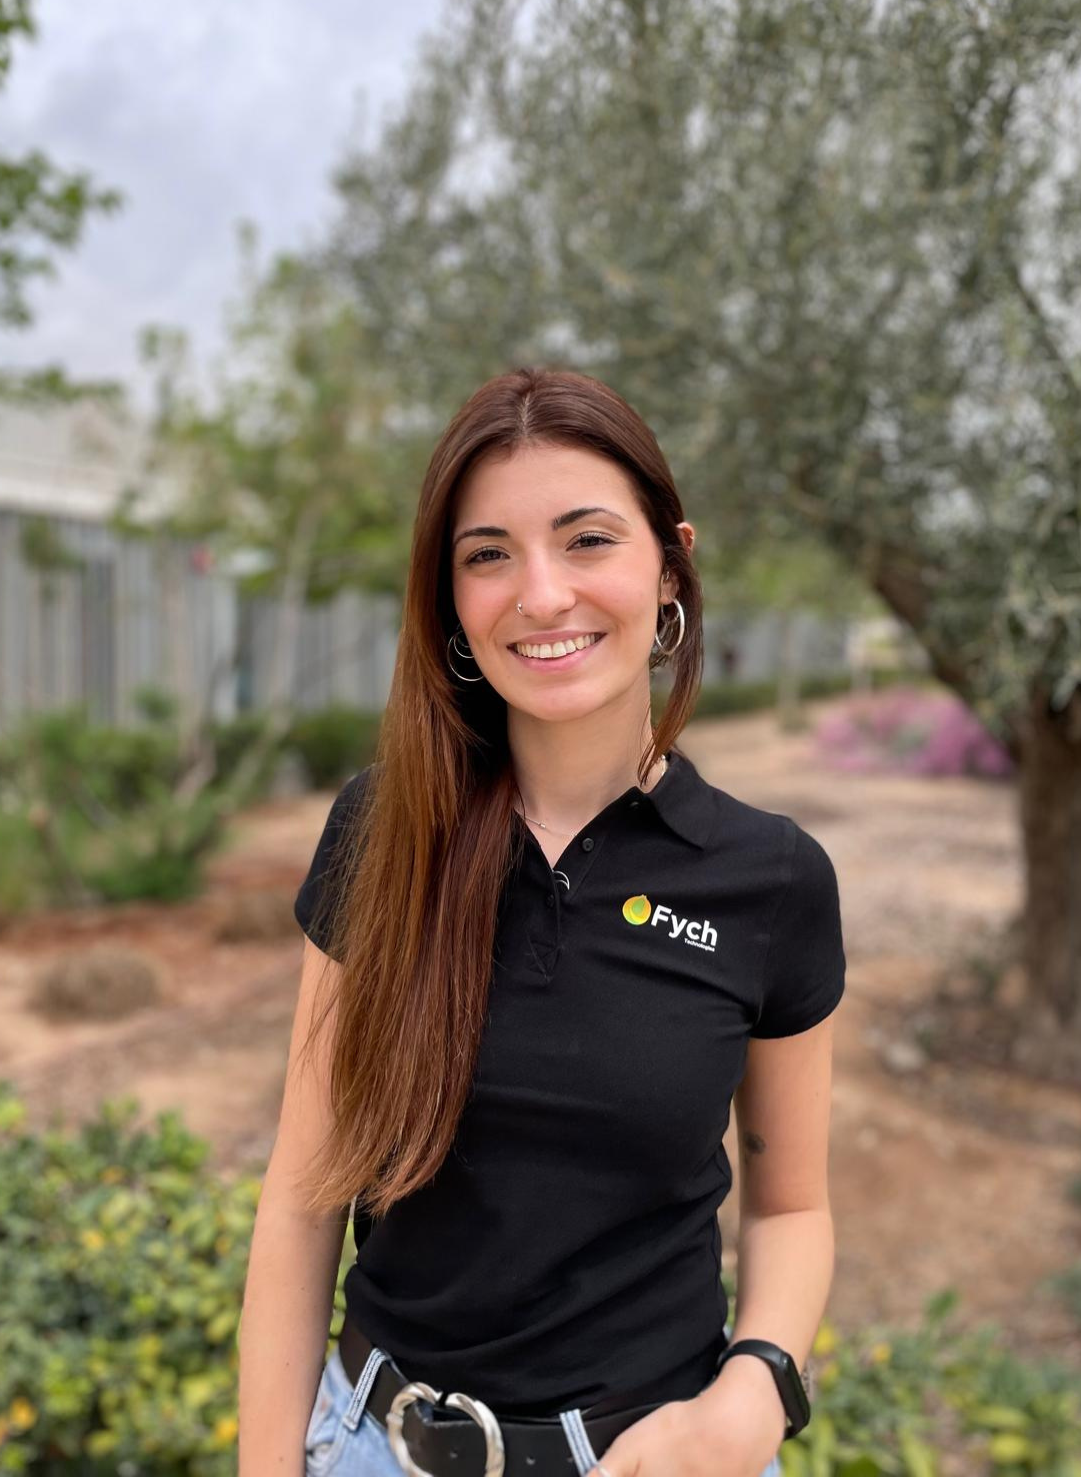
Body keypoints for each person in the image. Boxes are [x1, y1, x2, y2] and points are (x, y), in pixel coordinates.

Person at [238, 367, 845, 1477]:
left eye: (588, 540)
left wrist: (758, 1390)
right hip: (378, 1448)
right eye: (489, 555)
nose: (543, 594)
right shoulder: (383, 830)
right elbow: (300, 1199)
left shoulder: (771, 880)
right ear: (450, 599)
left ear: (671, 564)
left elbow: (791, 1207)